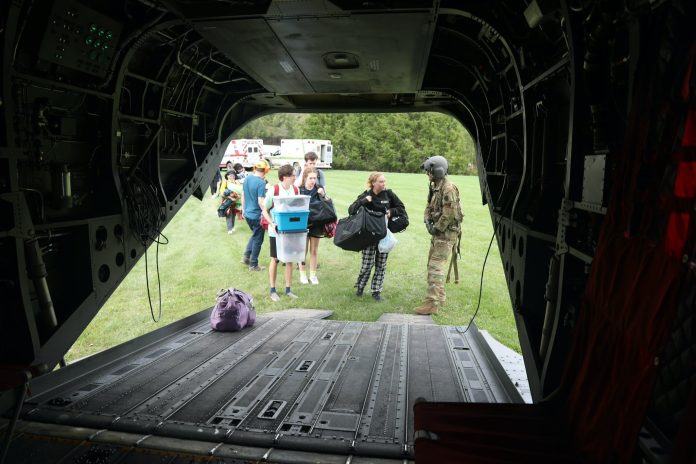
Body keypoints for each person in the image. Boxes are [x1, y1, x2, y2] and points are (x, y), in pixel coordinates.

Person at [415, 155, 463, 315]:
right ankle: (440, 297)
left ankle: (432, 304)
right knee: (433, 264)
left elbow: (449, 213)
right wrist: (427, 222)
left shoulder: (448, 188)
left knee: (435, 267)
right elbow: (429, 207)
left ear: (437, 171)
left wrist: (436, 228)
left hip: (445, 234)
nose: (427, 174)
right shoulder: (436, 186)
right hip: (439, 233)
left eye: (429, 171)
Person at [349, 172, 406, 301]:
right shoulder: (366, 195)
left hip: (383, 235)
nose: (383, 184)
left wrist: (391, 211)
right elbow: (351, 210)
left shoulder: (389, 194)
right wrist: (363, 201)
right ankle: (360, 287)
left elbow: (401, 208)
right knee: (367, 265)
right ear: (373, 183)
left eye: (384, 181)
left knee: (381, 265)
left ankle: (376, 291)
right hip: (368, 236)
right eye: (381, 181)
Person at [262, 164, 300, 301]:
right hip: (275, 232)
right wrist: (271, 223)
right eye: (292, 176)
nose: (294, 178)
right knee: (275, 259)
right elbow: (264, 210)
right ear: (284, 177)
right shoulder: (274, 190)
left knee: (289, 259)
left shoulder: (295, 189)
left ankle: (288, 290)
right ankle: (273, 290)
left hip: (291, 231)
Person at [298, 167, 327, 285]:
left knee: (314, 250)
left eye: (315, 178)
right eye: (311, 178)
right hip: (303, 223)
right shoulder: (300, 190)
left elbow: (327, 203)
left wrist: (323, 194)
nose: (313, 180)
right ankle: (302, 274)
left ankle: (313, 275)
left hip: (316, 222)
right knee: (302, 251)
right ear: (305, 177)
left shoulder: (318, 189)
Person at [240, 159, 270, 271]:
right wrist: (266, 213)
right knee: (258, 239)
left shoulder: (247, 178)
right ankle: (253, 264)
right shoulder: (261, 183)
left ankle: (246, 257)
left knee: (255, 235)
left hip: (247, 214)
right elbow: (260, 202)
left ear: (254, 168)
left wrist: (243, 209)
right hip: (257, 216)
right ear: (266, 170)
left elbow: (243, 195)